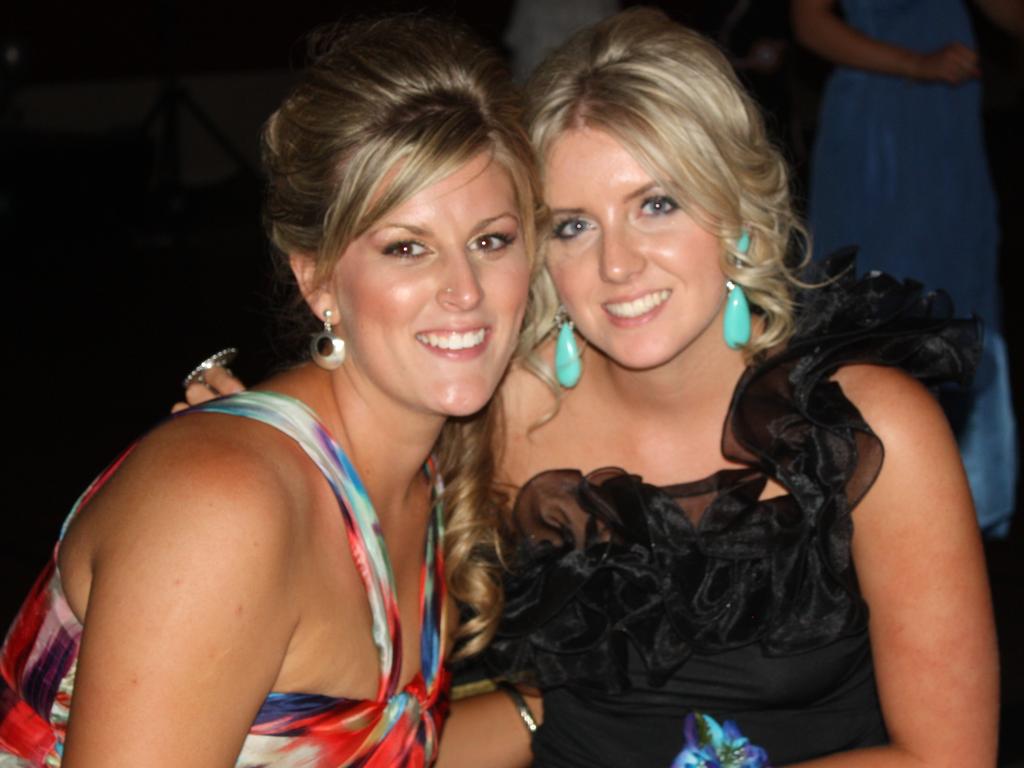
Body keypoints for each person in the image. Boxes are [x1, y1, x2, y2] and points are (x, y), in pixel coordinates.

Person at [180, 9, 999, 767]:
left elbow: (948, 757)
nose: (617, 265)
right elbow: (334, 523)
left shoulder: (868, 430)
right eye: (573, 225)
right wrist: (273, 453)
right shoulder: (489, 420)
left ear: (739, 211)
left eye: (657, 203)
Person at [0, 15, 544, 767]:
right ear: (317, 276)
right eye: (406, 247)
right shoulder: (225, 507)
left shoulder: (427, 473)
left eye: (491, 241)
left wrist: (572, 710)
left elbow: (389, 744)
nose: (465, 291)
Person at [794, 0, 1024, 538]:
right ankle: (861, 498)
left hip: (949, 129)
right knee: (881, 301)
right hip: (877, 126)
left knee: (960, 293)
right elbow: (810, 24)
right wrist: (917, 65)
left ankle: (961, 498)